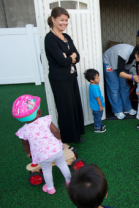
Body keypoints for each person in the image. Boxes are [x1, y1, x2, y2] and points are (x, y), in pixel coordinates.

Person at [13, 95, 71, 194]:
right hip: (56, 149)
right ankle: (69, 181)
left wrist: (28, 153)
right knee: (62, 164)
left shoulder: (23, 131)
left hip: (42, 155)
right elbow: (56, 131)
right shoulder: (45, 120)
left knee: (46, 170)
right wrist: (59, 139)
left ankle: (50, 188)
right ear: (38, 112)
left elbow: (25, 145)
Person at [45, 7, 85, 144]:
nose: (64, 23)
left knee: (74, 105)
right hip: (59, 80)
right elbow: (62, 61)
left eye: (66, 20)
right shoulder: (50, 38)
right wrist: (69, 57)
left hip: (71, 77)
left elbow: (77, 57)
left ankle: (76, 136)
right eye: (61, 20)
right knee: (65, 108)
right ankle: (67, 139)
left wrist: (69, 57)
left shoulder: (66, 37)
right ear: (53, 20)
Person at [103, 43, 139, 119]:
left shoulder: (138, 56)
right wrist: (133, 77)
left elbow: (138, 70)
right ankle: (117, 110)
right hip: (109, 61)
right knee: (114, 87)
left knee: (124, 86)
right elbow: (120, 73)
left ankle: (127, 108)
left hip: (120, 64)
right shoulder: (124, 53)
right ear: (138, 51)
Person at [84, 69, 106, 133]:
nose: (99, 79)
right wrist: (100, 106)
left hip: (94, 106)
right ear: (91, 80)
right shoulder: (95, 88)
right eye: (97, 78)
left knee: (97, 116)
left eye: (98, 77)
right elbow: (97, 97)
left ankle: (98, 125)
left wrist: (97, 82)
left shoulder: (92, 84)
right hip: (97, 106)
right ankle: (97, 128)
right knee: (98, 117)